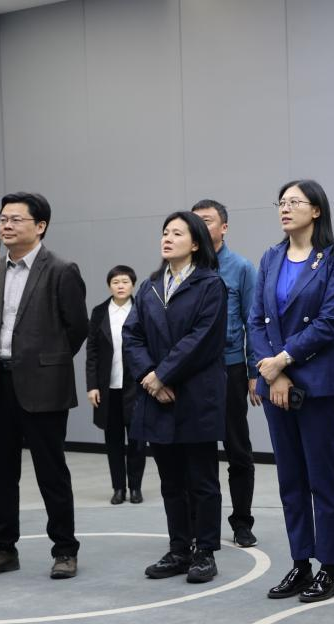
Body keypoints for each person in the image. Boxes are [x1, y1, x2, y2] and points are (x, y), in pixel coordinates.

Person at [0, 192, 89, 580]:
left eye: (15, 219)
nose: (6, 225)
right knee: (1, 474)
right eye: (3, 219)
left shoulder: (61, 270)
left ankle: (65, 550)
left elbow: (77, 328)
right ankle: (1, 550)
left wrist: (48, 362)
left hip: (43, 385)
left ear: (40, 226)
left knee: (51, 472)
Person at [250, 179, 334, 603]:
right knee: (290, 479)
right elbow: (256, 320)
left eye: (295, 202)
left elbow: (329, 322)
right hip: (276, 383)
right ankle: (300, 562)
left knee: (321, 478)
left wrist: (283, 361)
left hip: (318, 381)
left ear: (316, 210)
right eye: (282, 202)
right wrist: (273, 373)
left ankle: (328, 568)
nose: (285, 208)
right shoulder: (270, 257)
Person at [125, 212, 228, 584]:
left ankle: (205, 552)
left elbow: (202, 339)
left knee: (202, 480)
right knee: (170, 481)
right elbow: (132, 336)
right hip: (157, 396)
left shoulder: (210, 284)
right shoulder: (150, 286)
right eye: (165, 232)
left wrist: (161, 374)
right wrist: (148, 377)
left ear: (195, 243)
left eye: (177, 233)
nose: (167, 238)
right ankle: (179, 549)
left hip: (196, 395)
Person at [192, 198, 260, 547]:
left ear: (224, 227)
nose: (200, 227)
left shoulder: (241, 268)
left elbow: (254, 321)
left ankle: (242, 522)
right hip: (192, 373)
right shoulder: (185, 268)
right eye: (195, 221)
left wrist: (254, 371)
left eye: (206, 220)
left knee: (238, 449)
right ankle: (199, 525)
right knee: (196, 452)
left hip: (230, 368)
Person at [86, 265, 147, 505]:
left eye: (125, 282)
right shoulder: (99, 312)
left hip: (137, 386)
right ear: (109, 286)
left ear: (133, 284)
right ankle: (118, 488)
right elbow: (92, 351)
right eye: (115, 282)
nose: (120, 286)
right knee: (113, 441)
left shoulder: (142, 309)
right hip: (107, 387)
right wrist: (92, 386)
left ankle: (136, 487)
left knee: (137, 440)